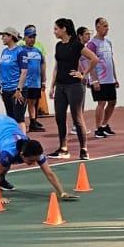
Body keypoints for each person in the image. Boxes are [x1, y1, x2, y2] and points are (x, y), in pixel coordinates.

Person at [49, 18, 98, 160]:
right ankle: (63, 148)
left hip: (74, 86)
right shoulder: (58, 46)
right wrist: (52, 86)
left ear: (64, 29)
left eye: (56, 29)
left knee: (77, 117)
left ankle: (84, 150)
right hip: (61, 85)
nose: (54, 32)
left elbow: (94, 58)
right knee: (59, 117)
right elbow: (57, 67)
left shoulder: (76, 45)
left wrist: (83, 74)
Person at [88, 17, 119, 138]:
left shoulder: (108, 43)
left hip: (109, 79)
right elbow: (91, 63)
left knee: (112, 102)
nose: (107, 28)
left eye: (107, 26)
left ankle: (105, 125)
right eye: (104, 26)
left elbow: (111, 60)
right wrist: (94, 79)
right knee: (101, 102)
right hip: (100, 79)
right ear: (97, 27)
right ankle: (98, 128)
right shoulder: (92, 44)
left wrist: (115, 77)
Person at [19, 25, 47, 132]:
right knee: (23, 103)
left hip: (36, 82)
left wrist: (43, 80)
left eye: (34, 37)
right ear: (25, 38)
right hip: (25, 83)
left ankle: (33, 122)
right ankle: (20, 123)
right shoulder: (21, 51)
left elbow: (43, 65)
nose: (32, 39)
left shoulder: (37, 51)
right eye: (30, 37)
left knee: (33, 102)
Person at [0, 28, 26, 122]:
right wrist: (0, 84)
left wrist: (19, 89)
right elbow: (3, 68)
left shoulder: (20, 51)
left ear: (11, 37)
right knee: (10, 118)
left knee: (19, 119)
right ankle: (13, 136)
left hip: (16, 89)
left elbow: (24, 71)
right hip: (6, 89)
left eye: (4, 36)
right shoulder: (4, 51)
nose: (2, 38)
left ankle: (21, 136)